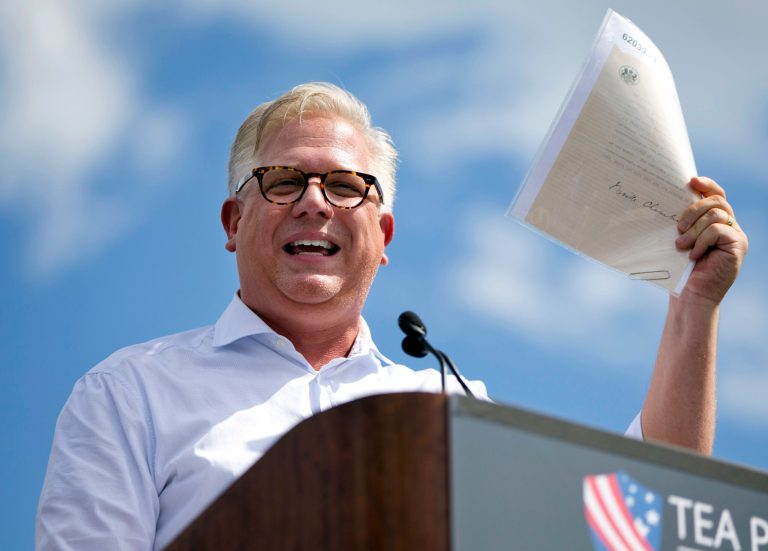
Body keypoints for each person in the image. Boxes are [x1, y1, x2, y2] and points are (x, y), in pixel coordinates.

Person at [36, 82, 748, 550]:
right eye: (284, 180)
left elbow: (651, 511)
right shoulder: (128, 393)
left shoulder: (448, 407)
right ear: (233, 220)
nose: (315, 200)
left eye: (347, 185)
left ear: (383, 240)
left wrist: (693, 306)